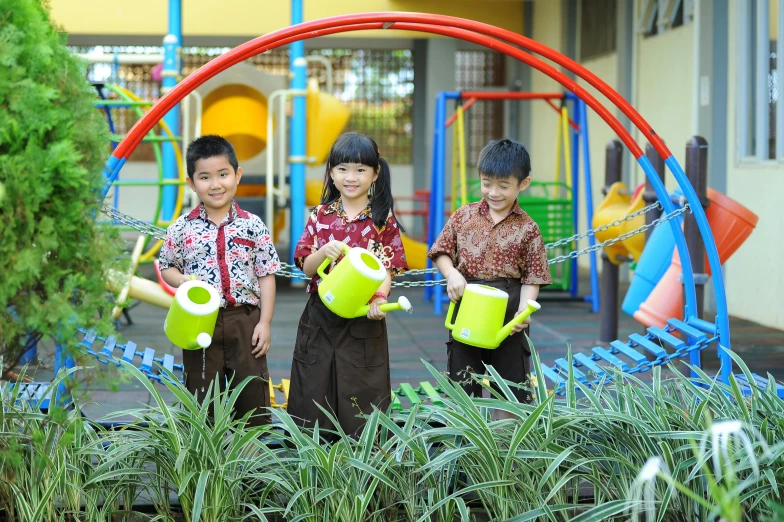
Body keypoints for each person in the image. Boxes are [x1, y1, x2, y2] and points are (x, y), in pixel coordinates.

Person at [287, 132, 408, 437]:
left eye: (360, 170)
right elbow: (304, 265)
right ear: (330, 172)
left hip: (362, 316)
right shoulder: (320, 216)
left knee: (364, 395)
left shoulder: (383, 219)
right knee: (312, 390)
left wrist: (380, 298)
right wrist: (321, 254)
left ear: (375, 173)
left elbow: (387, 267)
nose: (350, 178)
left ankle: (364, 471)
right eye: (342, 169)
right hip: (320, 315)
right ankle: (313, 470)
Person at [159, 135, 280, 427]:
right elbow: (166, 267)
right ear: (191, 182)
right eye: (205, 177)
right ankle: (206, 461)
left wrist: (264, 322)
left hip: (245, 321)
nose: (215, 184)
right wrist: (182, 280)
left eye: (223, 174)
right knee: (201, 396)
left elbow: (266, 274)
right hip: (200, 321)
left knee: (252, 396)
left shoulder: (253, 224)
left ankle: (251, 465)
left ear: (236, 175)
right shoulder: (181, 227)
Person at [428, 138, 552, 413]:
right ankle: (463, 445)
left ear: (523, 184)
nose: (493, 192)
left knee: (510, 384)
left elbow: (534, 274)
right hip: (468, 301)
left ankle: (506, 443)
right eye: (487, 183)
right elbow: (441, 251)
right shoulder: (464, 216)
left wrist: (525, 309)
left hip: (509, 307)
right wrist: (452, 275)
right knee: (463, 378)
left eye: (503, 186)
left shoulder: (529, 228)